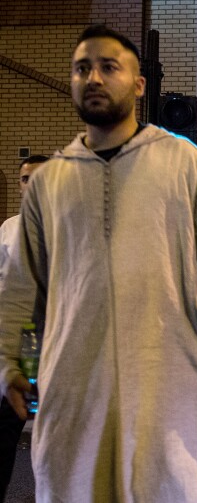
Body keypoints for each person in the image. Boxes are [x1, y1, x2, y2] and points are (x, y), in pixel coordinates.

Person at [0, 25, 197, 502]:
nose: (93, 78)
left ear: (138, 84)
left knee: (170, 487)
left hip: (171, 378)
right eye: (82, 68)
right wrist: (15, 368)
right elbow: (22, 295)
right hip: (73, 386)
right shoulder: (50, 183)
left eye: (108, 67)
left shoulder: (182, 162)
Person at [0, 155, 49, 502]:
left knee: (52, 420)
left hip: (57, 334)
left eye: (37, 178)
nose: (29, 184)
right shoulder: (8, 227)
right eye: (24, 178)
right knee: (11, 418)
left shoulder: (67, 224)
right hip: (25, 335)